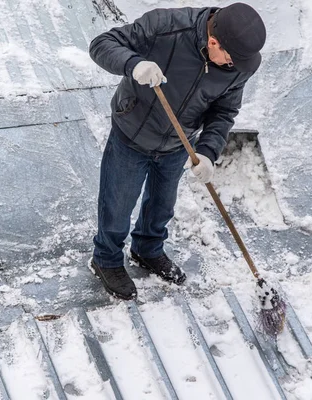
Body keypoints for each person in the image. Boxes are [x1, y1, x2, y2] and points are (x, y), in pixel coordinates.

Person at [88, 3, 266, 299]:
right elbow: (102, 44)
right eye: (231, 60)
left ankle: (147, 249)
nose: (235, 67)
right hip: (133, 132)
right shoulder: (167, 26)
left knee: (162, 206)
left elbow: (224, 111)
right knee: (118, 205)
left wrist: (208, 152)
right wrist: (134, 64)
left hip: (177, 143)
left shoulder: (240, 63)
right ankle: (105, 259)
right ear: (213, 42)